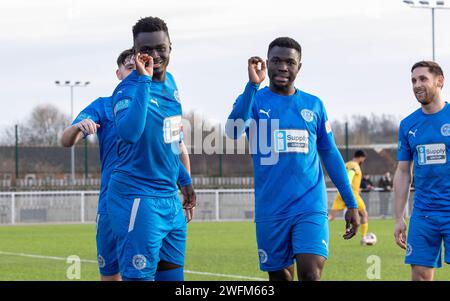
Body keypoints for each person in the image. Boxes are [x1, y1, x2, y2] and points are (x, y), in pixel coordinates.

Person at [225, 37, 360, 281]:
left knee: (311, 273)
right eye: (276, 61)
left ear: (299, 67)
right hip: (271, 209)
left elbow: (330, 153)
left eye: (290, 62)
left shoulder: (314, 105)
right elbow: (232, 131)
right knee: (280, 278)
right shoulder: (253, 100)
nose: (283, 67)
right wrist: (252, 86)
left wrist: (351, 202)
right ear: (266, 63)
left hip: (309, 205)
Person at [60, 48, 193, 281]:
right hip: (112, 205)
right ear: (119, 73)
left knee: (161, 273)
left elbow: (177, 150)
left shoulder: (159, 106)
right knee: (113, 276)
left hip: (153, 204)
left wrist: (184, 187)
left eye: (142, 65)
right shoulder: (104, 105)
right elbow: (66, 140)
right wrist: (79, 127)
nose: (138, 71)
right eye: (131, 67)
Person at [107, 17, 196, 281]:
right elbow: (130, 133)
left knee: (172, 278)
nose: (155, 55)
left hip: (169, 200)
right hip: (138, 200)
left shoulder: (172, 84)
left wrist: (185, 181)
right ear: (136, 54)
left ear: (171, 47)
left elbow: (166, 145)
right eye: (146, 50)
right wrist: (144, 81)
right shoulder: (126, 90)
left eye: (161, 48)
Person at [394, 61, 450, 281]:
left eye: (423, 79)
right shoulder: (408, 125)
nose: (417, 85)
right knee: (419, 275)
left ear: (440, 81)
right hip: (424, 213)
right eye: (413, 81)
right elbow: (403, 172)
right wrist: (399, 217)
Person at [329, 150, 371, 245]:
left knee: (331, 216)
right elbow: (350, 175)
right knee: (364, 214)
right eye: (363, 159)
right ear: (361, 157)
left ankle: (317, 231)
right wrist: (348, 185)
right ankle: (364, 238)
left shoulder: (346, 164)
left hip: (341, 192)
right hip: (351, 194)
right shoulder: (354, 165)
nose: (363, 161)